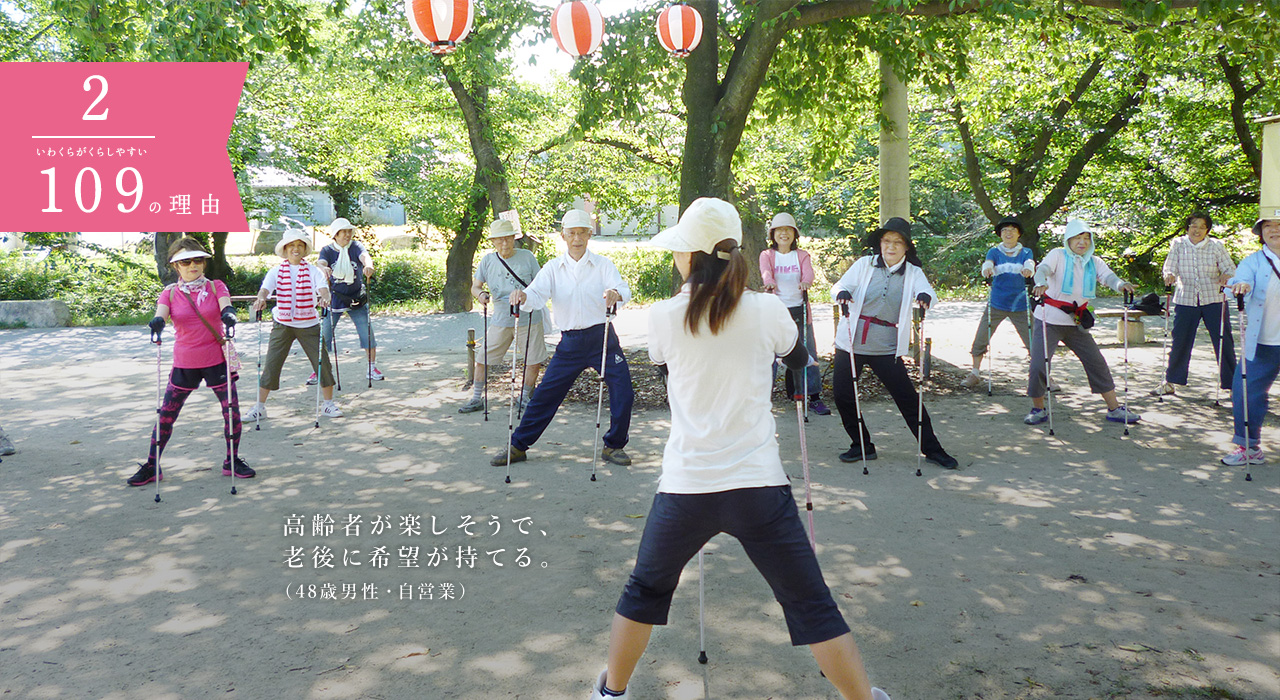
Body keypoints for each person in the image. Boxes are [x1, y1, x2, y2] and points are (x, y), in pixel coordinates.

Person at [589, 197, 891, 700]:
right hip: (759, 488)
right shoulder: (767, 308)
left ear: (690, 256)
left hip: (686, 486)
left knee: (643, 591)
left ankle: (612, 692)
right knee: (812, 602)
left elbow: (669, 372)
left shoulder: (664, 317)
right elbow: (798, 358)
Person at [489, 209, 634, 467]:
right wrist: (522, 297)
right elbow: (534, 295)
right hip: (570, 343)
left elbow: (624, 290)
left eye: (582, 233)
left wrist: (615, 293)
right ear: (563, 236)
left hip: (602, 338)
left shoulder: (603, 265)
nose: (577, 238)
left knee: (624, 390)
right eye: (571, 233)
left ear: (589, 235)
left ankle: (614, 446)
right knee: (546, 394)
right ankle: (518, 445)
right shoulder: (553, 268)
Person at [830, 217, 959, 469]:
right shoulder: (863, 264)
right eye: (887, 241)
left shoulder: (913, 272)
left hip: (886, 347)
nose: (891, 246)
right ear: (880, 243)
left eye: (897, 242)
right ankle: (861, 445)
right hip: (851, 344)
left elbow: (929, 292)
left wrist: (923, 296)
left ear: (907, 247)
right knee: (843, 396)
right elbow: (840, 285)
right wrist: (841, 293)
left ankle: (933, 449)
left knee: (907, 399)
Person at [127, 237, 252, 486]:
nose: (192, 265)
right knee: (166, 415)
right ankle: (152, 465)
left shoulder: (216, 287)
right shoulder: (169, 292)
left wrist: (229, 315)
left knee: (231, 412)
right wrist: (158, 323)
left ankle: (232, 460)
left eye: (197, 259)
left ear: (204, 263)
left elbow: (226, 306)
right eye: (185, 261)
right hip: (185, 362)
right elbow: (160, 314)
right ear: (176, 266)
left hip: (216, 359)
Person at [1024, 218, 1141, 426]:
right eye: (1077, 238)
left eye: (1086, 238)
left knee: (1096, 362)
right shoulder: (1057, 255)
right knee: (1039, 364)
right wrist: (1040, 282)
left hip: (1076, 321)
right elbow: (1042, 270)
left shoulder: (1093, 261)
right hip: (1049, 319)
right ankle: (1038, 408)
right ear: (1068, 240)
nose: (1082, 242)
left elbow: (1109, 277)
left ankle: (1114, 408)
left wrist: (1121, 284)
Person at [247, 229, 342, 421]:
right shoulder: (276, 271)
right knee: (271, 364)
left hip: (308, 323)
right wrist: (261, 299)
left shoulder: (314, 271)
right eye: (292, 245)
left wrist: (325, 297)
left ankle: (328, 404)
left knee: (322, 363)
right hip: (282, 323)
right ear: (285, 249)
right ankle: (259, 406)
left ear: (304, 249)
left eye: (300, 245)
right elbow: (265, 289)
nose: (295, 249)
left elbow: (322, 288)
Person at [460, 219, 548, 413]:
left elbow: (541, 285)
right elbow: (475, 287)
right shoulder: (488, 261)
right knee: (482, 358)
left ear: (514, 238)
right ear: (493, 241)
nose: (505, 244)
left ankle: (524, 396)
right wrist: (481, 295)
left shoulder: (527, 257)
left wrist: (526, 295)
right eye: (499, 240)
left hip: (528, 316)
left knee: (533, 359)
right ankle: (476, 398)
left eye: (508, 239)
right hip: (500, 317)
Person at [1221, 209, 1280, 466]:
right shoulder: (1253, 261)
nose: (1274, 230)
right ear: (1260, 233)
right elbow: (1240, 279)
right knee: (1245, 392)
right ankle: (1249, 447)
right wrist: (1240, 286)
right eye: (1268, 226)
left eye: (1279, 224)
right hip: (1263, 342)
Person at [1156, 211, 1237, 396]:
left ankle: (1233, 385)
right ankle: (1170, 382)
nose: (1197, 230)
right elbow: (1170, 266)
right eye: (1194, 225)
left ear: (1207, 229)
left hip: (1214, 299)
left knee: (1223, 341)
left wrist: (1227, 275)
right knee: (1180, 341)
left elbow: (1230, 268)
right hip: (1186, 298)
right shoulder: (1178, 244)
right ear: (1188, 227)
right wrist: (1169, 274)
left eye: (1202, 227)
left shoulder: (1216, 245)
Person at [760, 212, 830, 415]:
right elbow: (766, 272)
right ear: (773, 234)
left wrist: (806, 281)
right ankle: (764, 399)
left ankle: (814, 397)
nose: (784, 233)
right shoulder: (767, 255)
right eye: (779, 230)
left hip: (799, 310)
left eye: (788, 229)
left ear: (794, 234)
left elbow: (809, 272)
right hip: (776, 311)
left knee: (808, 352)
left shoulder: (802, 255)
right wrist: (769, 283)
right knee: (769, 355)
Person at [963, 217, 1035, 388]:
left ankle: (1043, 375)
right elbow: (987, 264)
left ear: (1018, 234)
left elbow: (1030, 264)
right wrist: (986, 269)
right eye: (1004, 230)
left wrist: (1029, 270)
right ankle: (974, 373)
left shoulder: (1026, 252)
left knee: (1034, 340)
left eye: (1012, 230)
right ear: (1000, 234)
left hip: (1020, 305)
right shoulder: (994, 252)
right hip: (997, 302)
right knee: (982, 336)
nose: (1008, 233)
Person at [312, 217, 384, 384]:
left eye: (349, 231)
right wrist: (323, 268)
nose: (347, 234)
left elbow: (365, 256)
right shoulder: (328, 250)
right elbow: (320, 262)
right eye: (343, 232)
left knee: (367, 332)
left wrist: (368, 266)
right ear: (335, 235)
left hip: (356, 297)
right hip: (334, 298)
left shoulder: (356, 246)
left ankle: (371, 367)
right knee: (325, 335)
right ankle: (318, 370)